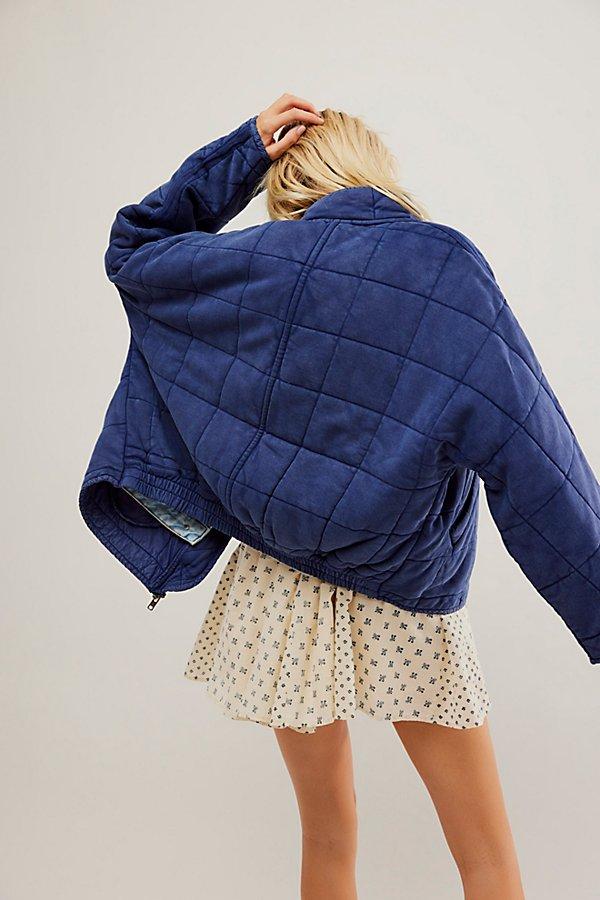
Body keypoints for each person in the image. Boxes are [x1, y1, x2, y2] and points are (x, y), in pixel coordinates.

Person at [80, 94, 600, 899]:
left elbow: (134, 249)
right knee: (487, 860)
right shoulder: (441, 267)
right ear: (374, 170)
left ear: (287, 179)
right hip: (407, 587)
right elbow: (534, 452)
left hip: (276, 587)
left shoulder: (246, 268)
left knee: (326, 835)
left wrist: (242, 150)